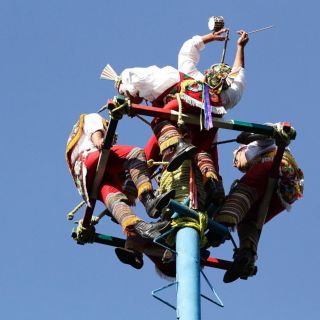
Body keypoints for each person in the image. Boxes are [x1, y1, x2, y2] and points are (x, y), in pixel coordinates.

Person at [103, 28, 249, 207]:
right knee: (203, 150)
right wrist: (239, 47)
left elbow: (187, 52)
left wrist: (209, 39)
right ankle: (213, 184)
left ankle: (142, 177)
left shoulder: (191, 77)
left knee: (158, 121)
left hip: (185, 106)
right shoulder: (227, 97)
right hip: (208, 120)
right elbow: (238, 74)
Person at [66, 113, 175, 268]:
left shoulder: (75, 138)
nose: (115, 140)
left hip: (85, 180)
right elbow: (95, 127)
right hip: (91, 158)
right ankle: (148, 198)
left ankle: (138, 229)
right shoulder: (93, 118)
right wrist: (100, 141)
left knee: (115, 198)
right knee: (136, 154)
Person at [213, 130, 304, 283]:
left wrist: (250, 136)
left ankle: (222, 225)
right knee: (249, 220)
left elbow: (270, 131)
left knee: (242, 191)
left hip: (276, 167)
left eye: (236, 158)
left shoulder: (259, 146)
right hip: (287, 193)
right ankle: (246, 254)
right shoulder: (256, 160)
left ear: (244, 150)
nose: (234, 163)